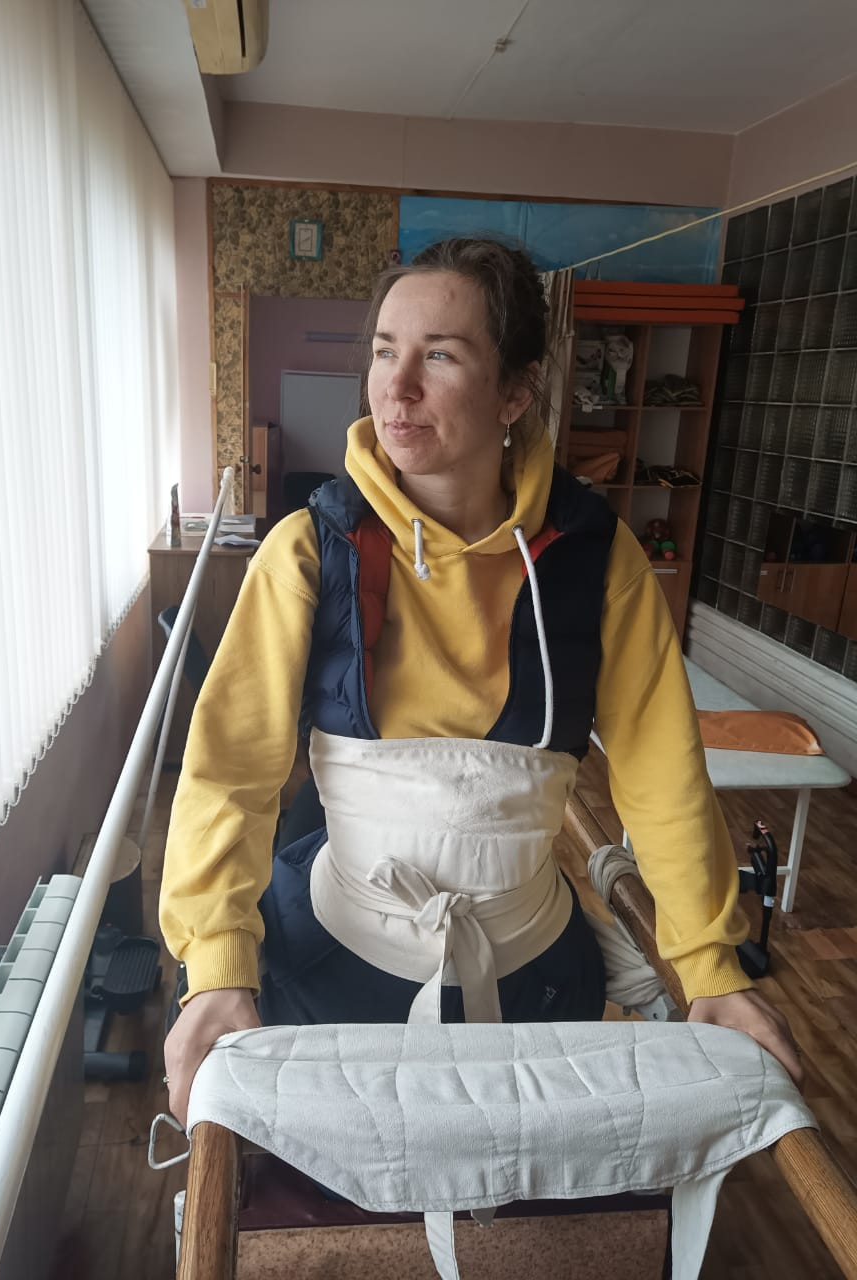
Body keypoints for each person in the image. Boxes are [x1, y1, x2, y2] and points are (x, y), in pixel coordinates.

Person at [160, 237, 801, 1129]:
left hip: (535, 981)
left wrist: (711, 967)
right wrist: (216, 968)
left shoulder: (596, 559)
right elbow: (229, 771)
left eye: (440, 356)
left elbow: (663, 775)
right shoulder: (307, 551)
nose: (397, 387)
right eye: (385, 350)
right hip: (326, 973)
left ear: (515, 393)